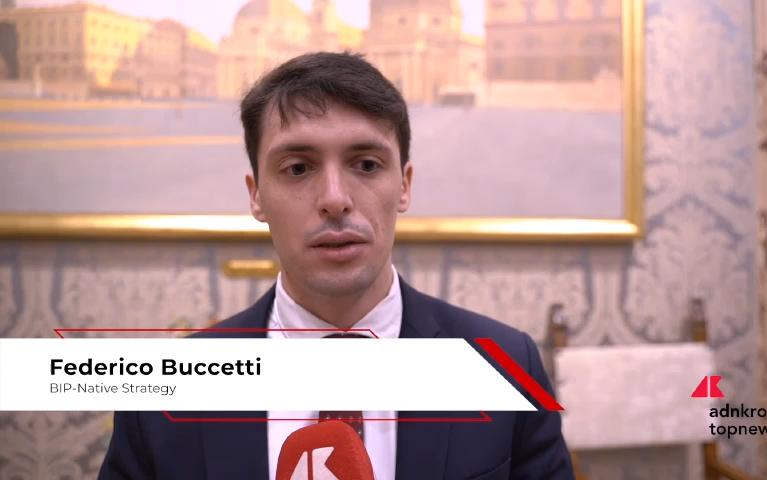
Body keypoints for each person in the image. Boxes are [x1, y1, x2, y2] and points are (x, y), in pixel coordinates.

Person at [99, 52, 574, 480]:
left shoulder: (507, 366)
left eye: (366, 165)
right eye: (298, 168)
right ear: (256, 195)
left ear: (404, 185)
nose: (334, 199)